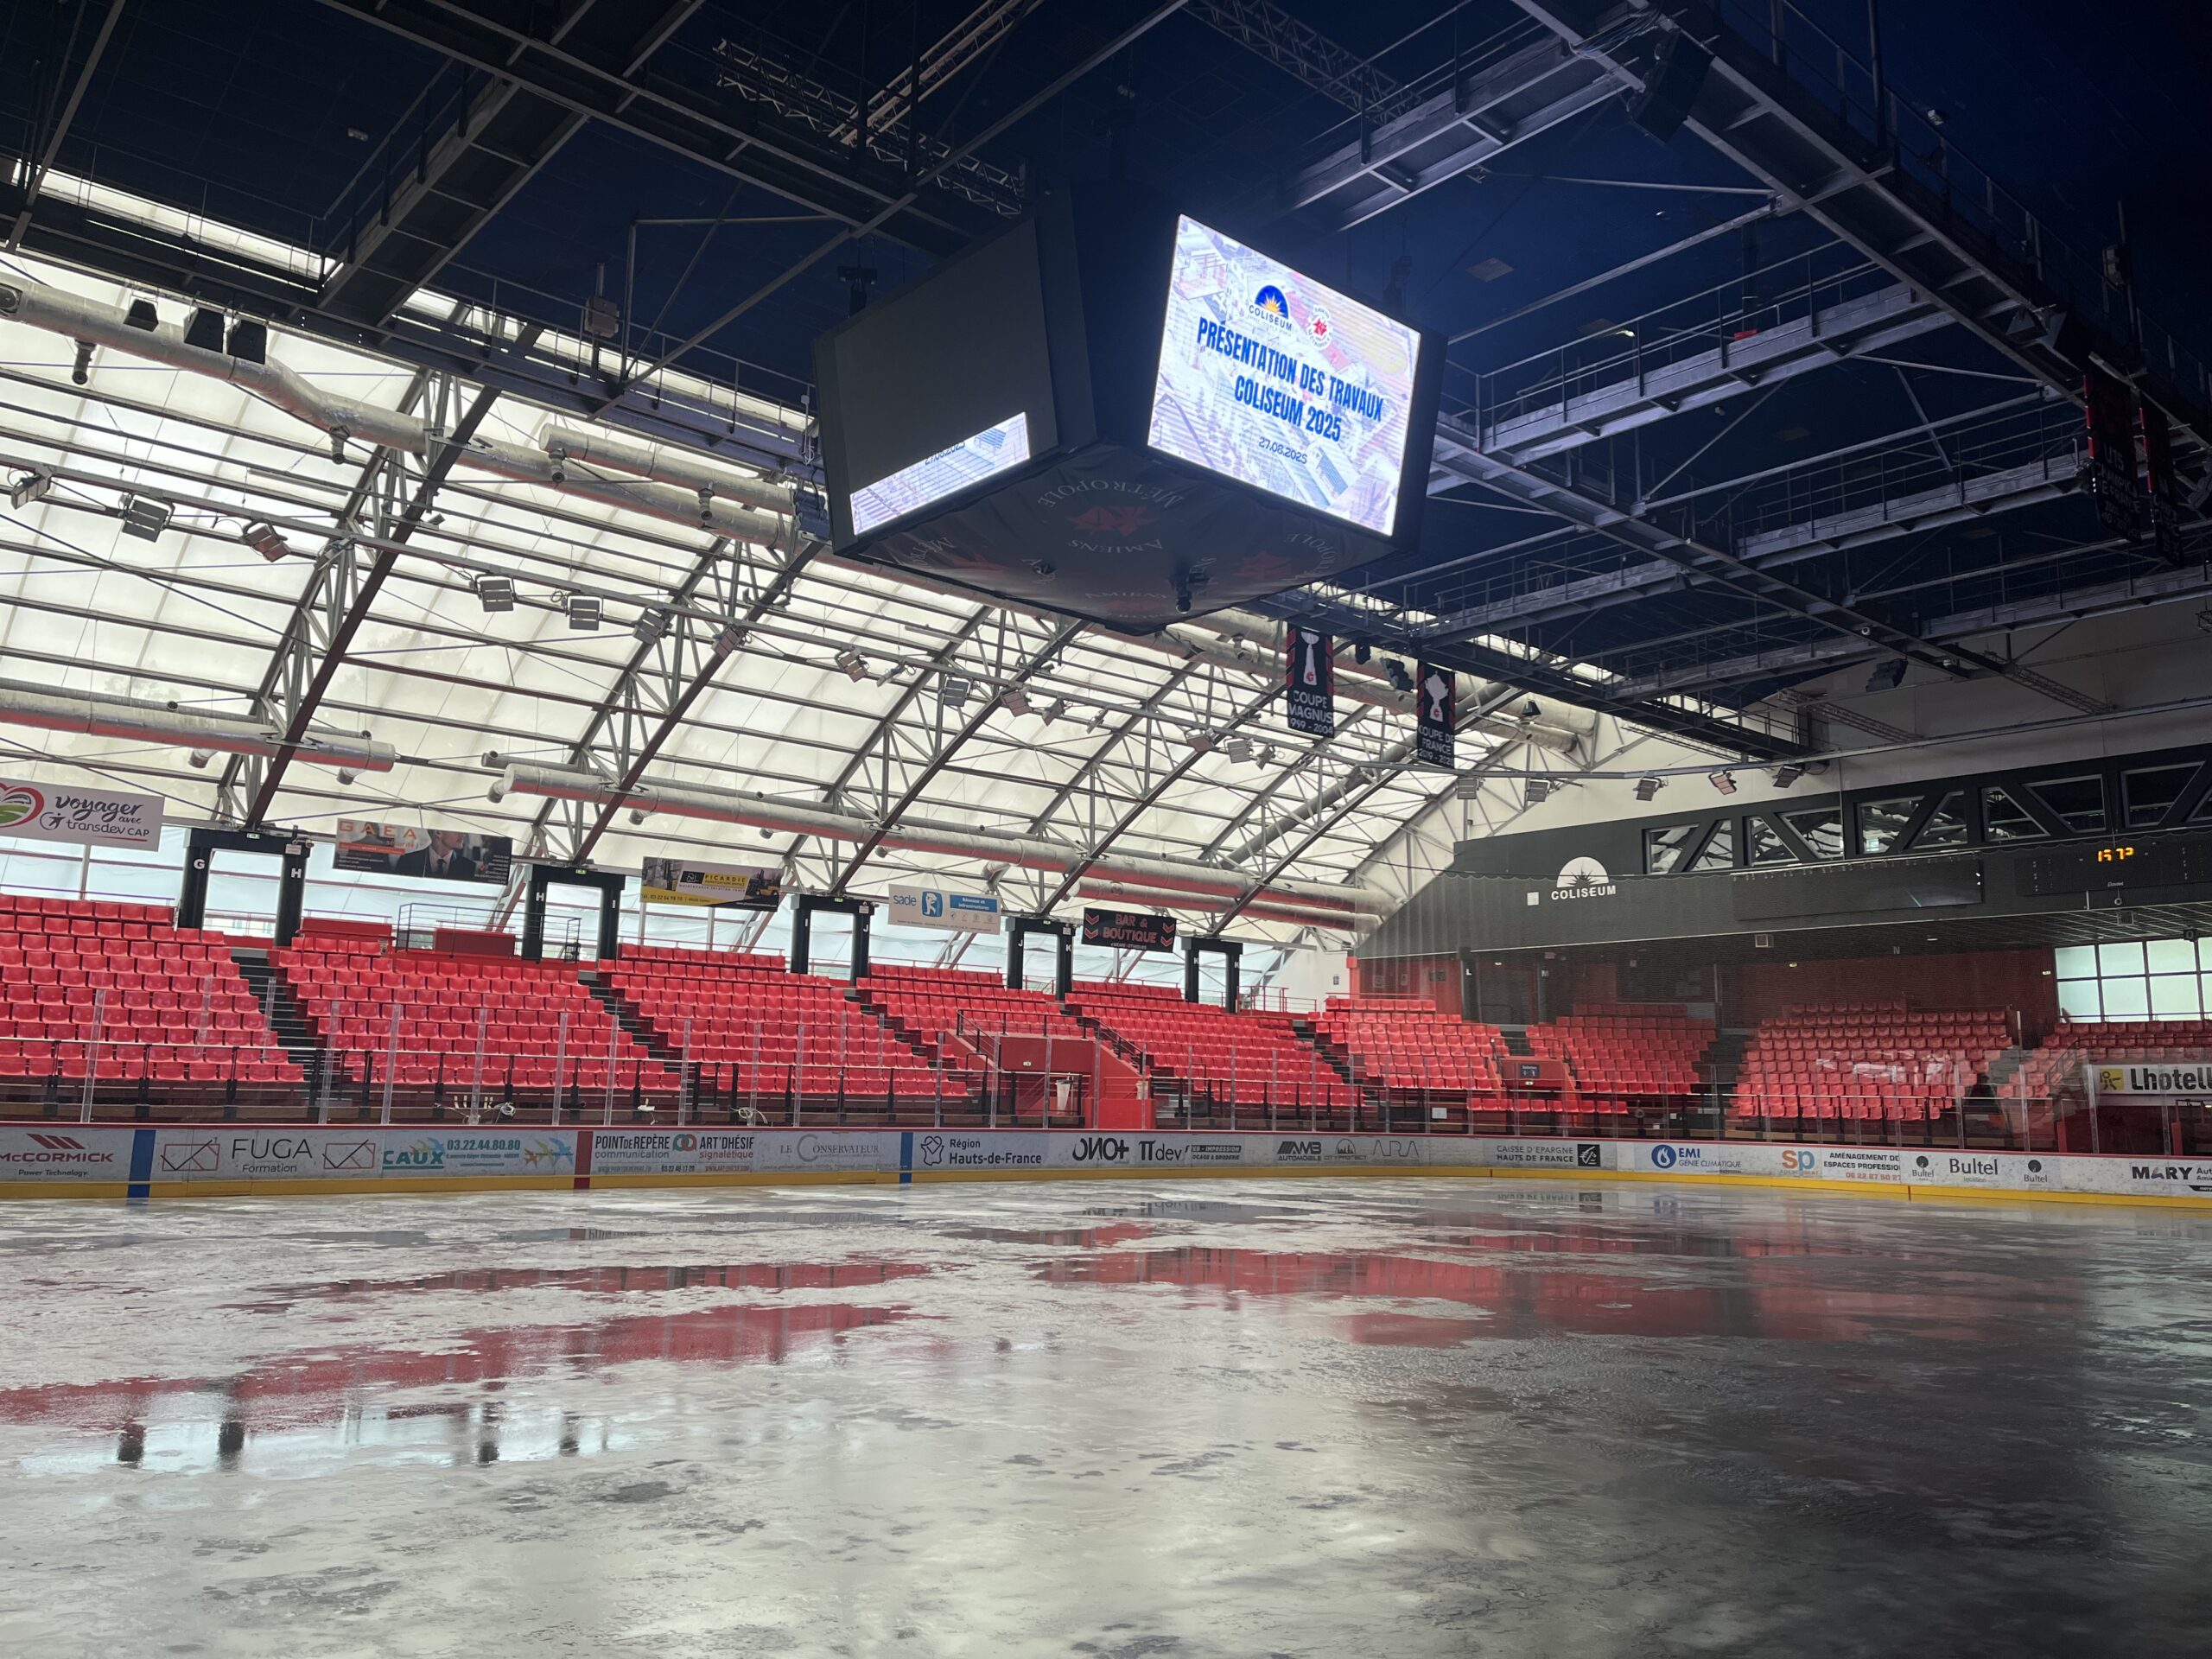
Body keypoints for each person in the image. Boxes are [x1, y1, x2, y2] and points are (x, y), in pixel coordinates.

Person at [396, 829, 478, 881]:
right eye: (456, 830)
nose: (463, 834)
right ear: (438, 832)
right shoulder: (407, 861)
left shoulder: (469, 867)